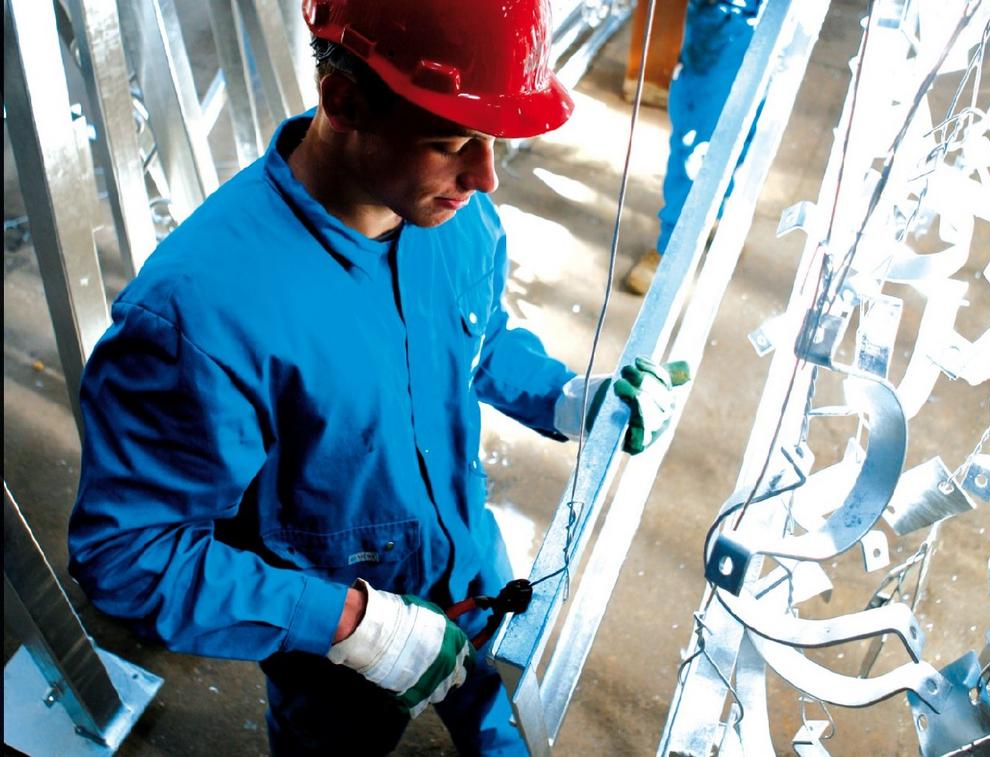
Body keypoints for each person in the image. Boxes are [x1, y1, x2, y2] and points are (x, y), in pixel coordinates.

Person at [67, 1, 680, 754]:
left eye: (492, 140)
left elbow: (479, 338)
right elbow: (128, 554)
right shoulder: (199, 315)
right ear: (345, 102)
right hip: (329, 637)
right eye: (451, 142)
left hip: (469, 563)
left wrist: (566, 398)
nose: (485, 176)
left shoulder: (449, 213)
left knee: (500, 713)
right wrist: (355, 625)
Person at [624, 0, 762, 295]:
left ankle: (707, 217)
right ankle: (675, 245)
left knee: (743, 126)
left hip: (775, 17)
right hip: (727, 16)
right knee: (700, 134)